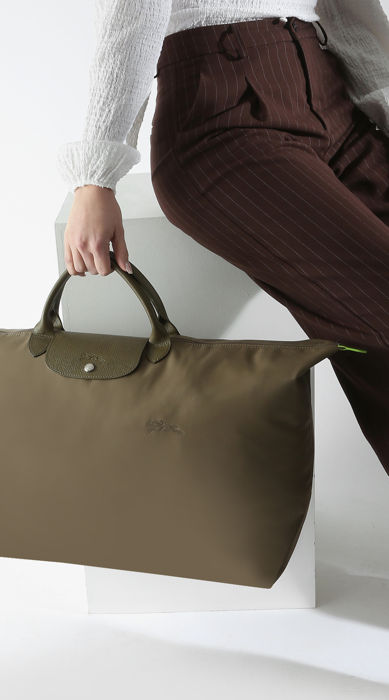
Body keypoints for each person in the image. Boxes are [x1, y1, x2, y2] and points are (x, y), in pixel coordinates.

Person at [57, 1, 389, 477]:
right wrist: (96, 175)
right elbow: (132, 15)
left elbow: (349, 12)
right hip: (223, 117)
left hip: (335, 99)